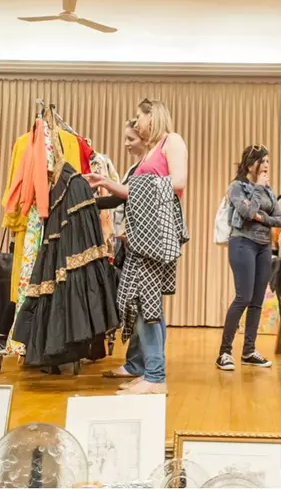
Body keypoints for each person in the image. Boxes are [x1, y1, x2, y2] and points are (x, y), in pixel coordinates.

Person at [86, 99, 188, 395]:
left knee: (146, 305)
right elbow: (130, 192)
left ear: (152, 116)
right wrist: (104, 181)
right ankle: (148, 372)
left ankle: (156, 376)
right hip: (140, 236)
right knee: (144, 303)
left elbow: (179, 181)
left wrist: (122, 186)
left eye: (139, 117)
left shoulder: (173, 141)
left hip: (156, 236)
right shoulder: (149, 154)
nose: (137, 122)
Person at [98, 120, 156, 381]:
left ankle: (143, 366)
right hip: (131, 242)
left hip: (140, 244)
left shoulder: (148, 168)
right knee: (136, 306)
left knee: (140, 306)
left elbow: (129, 197)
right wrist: (92, 200)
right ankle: (138, 364)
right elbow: (121, 196)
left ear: (145, 137)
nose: (126, 144)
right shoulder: (137, 167)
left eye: (130, 138)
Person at [216, 145, 281, 371]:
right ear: (249, 165)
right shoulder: (237, 187)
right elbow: (245, 213)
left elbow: (279, 219)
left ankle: (248, 351)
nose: (266, 165)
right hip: (242, 243)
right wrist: (256, 190)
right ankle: (224, 353)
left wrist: (259, 216)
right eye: (262, 161)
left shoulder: (269, 189)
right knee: (242, 298)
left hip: (264, 247)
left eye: (267, 161)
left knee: (257, 301)